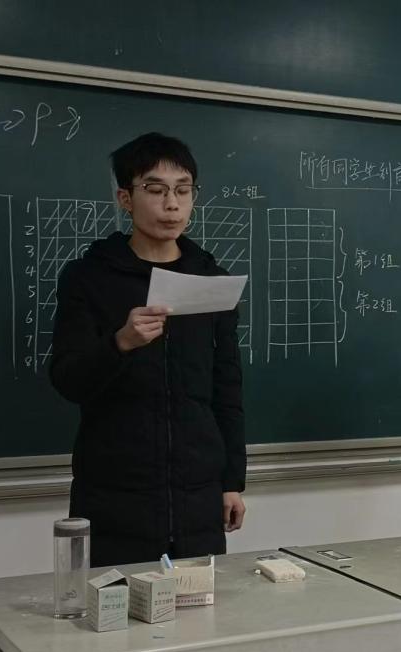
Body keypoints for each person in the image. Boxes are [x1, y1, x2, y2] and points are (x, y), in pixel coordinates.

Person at [50, 133, 246, 567]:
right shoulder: (89, 278)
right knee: (114, 607)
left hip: (198, 498)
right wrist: (120, 343)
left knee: (198, 606)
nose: (171, 204)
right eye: (155, 190)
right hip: (114, 497)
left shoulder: (211, 281)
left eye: (183, 190)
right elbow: (67, 379)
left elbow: (227, 388)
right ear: (126, 198)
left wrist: (232, 481)